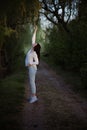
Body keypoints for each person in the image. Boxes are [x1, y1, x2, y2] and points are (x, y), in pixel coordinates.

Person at [25, 26, 41, 103]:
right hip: (31, 68)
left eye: (35, 44)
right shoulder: (31, 50)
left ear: (35, 47)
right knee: (31, 82)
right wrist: (35, 30)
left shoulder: (34, 53)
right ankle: (32, 96)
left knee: (32, 82)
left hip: (32, 68)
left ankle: (34, 97)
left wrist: (30, 63)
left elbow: (37, 62)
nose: (34, 43)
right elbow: (33, 39)